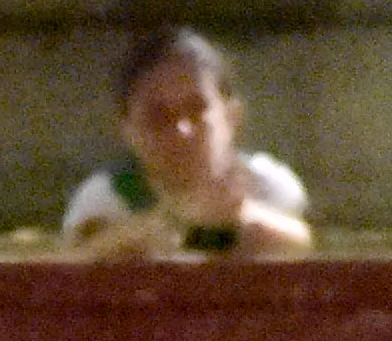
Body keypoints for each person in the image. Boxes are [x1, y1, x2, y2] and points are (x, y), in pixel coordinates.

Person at [62, 21, 314, 252]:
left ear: (232, 116)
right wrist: (180, 219)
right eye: (158, 117)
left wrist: (239, 217)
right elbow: (79, 263)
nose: (182, 130)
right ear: (126, 129)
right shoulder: (105, 199)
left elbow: (303, 248)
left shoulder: (268, 186)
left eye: (197, 110)